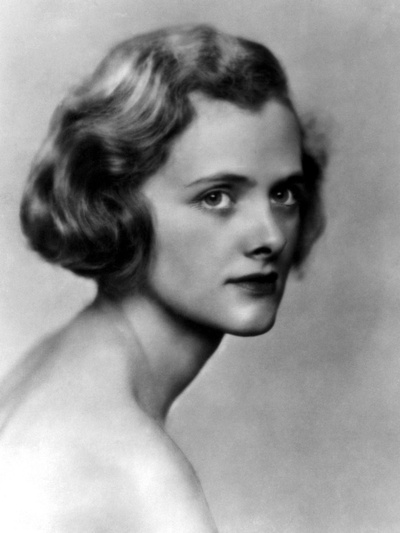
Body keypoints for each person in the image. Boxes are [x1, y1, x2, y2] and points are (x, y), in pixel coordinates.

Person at [0, 24, 325, 532]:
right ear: (115, 206)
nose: (270, 236)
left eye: (283, 194)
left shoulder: (59, 366)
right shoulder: (138, 476)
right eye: (217, 197)